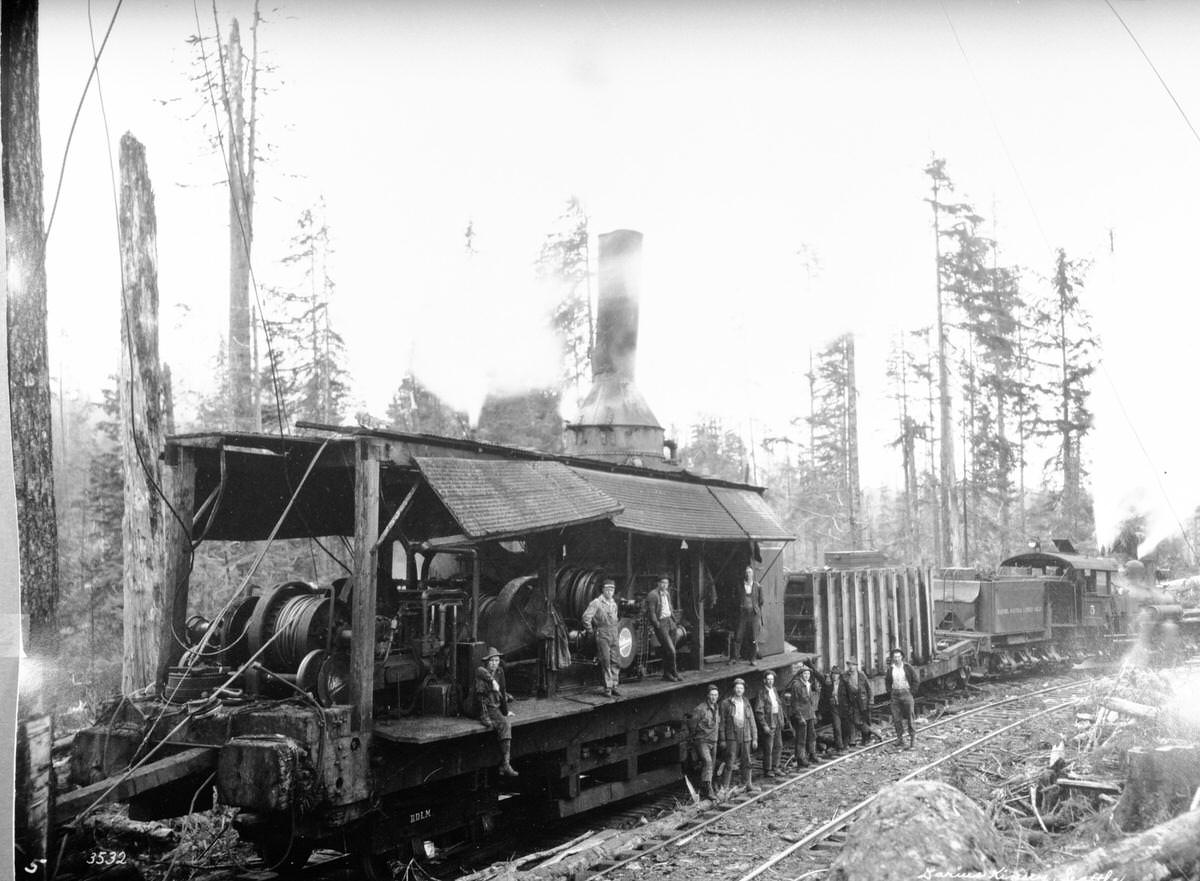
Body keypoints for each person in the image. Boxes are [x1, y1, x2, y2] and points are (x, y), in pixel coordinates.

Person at [476, 646, 519, 776]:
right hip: (486, 706)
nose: (494, 663)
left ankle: (505, 764)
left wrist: (505, 712)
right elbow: (479, 671)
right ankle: (505, 765)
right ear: (487, 662)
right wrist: (492, 681)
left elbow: (503, 690)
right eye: (492, 661)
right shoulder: (481, 672)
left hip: (496, 705)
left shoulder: (500, 672)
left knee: (504, 720)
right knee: (505, 725)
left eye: (497, 660)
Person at [582, 578, 622, 696]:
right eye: (607, 589)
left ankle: (614, 685)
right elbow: (586, 617)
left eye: (612, 589)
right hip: (603, 633)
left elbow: (616, 618)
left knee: (616, 661)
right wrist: (590, 631)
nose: (610, 592)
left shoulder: (614, 603)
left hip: (614, 633)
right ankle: (608, 688)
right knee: (606, 661)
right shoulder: (596, 602)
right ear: (603, 590)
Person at [718, 678, 758, 791]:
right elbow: (722, 723)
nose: (739, 690)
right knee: (730, 761)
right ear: (733, 689)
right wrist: (722, 739)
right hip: (732, 736)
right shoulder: (726, 703)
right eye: (737, 688)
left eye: (741, 688)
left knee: (747, 760)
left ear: (744, 690)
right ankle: (724, 788)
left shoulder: (746, 702)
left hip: (745, 735)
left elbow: (752, 721)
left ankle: (748, 784)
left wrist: (755, 737)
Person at [644, 576, 682, 681]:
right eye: (662, 583)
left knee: (668, 650)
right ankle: (674, 671)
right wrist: (657, 625)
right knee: (671, 650)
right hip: (661, 624)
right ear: (658, 583)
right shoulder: (653, 595)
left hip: (670, 622)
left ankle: (667, 674)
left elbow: (670, 607)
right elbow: (651, 612)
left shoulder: (667, 593)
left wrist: (674, 621)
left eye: (666, 583)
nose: (665, 585)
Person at [687, 683, 721, 798]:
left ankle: (708, 785)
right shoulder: (700, 709)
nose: (714, 697)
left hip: (714, 740)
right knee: (708, 762)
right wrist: (695, 738)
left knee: (712, 764)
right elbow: (692, 725)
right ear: (707, 695)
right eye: (711, 695)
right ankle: (708, 790)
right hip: (703, 741)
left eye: (716, 695)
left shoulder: (717, 707)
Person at [785, 662, 820, 766]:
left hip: (809, 714)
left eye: (808, 674)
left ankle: (812, 754)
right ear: (801, 675)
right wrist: (799, 717)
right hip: (802, 716)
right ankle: (801, 758)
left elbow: (809, 702)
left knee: (812, 735)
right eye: (805, 674)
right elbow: (794, 703)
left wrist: (813, 714)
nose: (807, 676)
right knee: (801, 737)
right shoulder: (797, 685)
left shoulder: (808, 684)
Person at [753, 670, 785, 777]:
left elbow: (779, 706)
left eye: (772, 679)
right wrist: (764, 725)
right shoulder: (761, 692)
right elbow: (759, 710)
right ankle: (768, 769)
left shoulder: (774, 690)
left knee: (778, 745)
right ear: (764, 680)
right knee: (768, 747)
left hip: (776, 720)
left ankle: (776, 767)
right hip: (768, 721)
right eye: (768, 679)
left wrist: (781, 720)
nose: (770, 681)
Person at [884, 648, 918, 749]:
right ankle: (900, 739)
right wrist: (890, 691)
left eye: (899, 657)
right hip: (895, 695)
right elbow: (887, 681)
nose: (897, 659)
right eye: (895, 657)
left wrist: (911, 693)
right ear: (893, 658)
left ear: (902, 657)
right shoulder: (891, 669)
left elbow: (916, 680)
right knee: (896, 718)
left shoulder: (908, 667)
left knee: (910, 718)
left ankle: (912, 740)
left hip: (906, 693)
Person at [731, 566, 763, 664]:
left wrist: (755, 609)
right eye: (746, 572)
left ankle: (753, 659)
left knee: (753, 638)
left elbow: (761, 601)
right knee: (738, 636)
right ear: (744, 575)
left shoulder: (758, 586)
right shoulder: (739, 586)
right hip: (742, 614)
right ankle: (734, 658)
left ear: (752, 574)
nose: (748, 574)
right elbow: (734, 598)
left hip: (753, 615)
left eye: (749, 572)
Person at [843, 657, 877, 744]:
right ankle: (853, 740)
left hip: (863, 701)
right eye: (849, 665)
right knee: (855, 720)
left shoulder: (861, 675)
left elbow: (869, 689)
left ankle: (866, 738)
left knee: (866, 719)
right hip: (852, 702)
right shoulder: (845, 675)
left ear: (856, 666)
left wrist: (871, 701)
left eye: (853, 665)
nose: (851, 667)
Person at [821, 665, 853, 752]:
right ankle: (839, 746)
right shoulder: (829, 684)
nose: (835, 676)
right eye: (833, 674)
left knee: (845, 727)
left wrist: (850, 708)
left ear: (839, 675)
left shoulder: (845, 683)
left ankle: (845, 743)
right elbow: (823, 696)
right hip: (834, 708)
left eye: (837, 674)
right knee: (837, 727)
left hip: (844, 708)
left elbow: (850, 696)